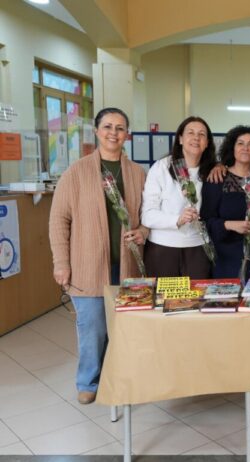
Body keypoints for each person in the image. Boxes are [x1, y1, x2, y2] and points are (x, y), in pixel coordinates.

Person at [49, 107, 147, 405]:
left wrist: (142, 230)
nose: (113, 133)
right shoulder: (76, 172)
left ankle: (122, 376)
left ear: (126, 134)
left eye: (120, 128)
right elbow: (58, 219)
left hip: (127, 265)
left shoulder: (136, 173)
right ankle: (89, 380)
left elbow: (147, 216)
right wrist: (61, 262)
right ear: (96, 130)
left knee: (124, 328)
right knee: (92, 327)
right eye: (108, 126)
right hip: (87, 265)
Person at [141, 116, 217, 278]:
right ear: (180, 139)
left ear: (207, 143)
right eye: (190, 132)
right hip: (163, 249)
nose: (196, 137)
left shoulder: (213, 171)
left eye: (202, 134)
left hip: (199, 249)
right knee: (164, 301)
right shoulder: (161, 168)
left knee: (196, 301)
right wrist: (177, 219)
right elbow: (147, 215)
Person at [201, 125, 250, 279]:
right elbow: (206, 222)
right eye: (240, 143)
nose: (246, 148)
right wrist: (229, 225)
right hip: (226, 261)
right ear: (232, 148)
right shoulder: (217, 179)